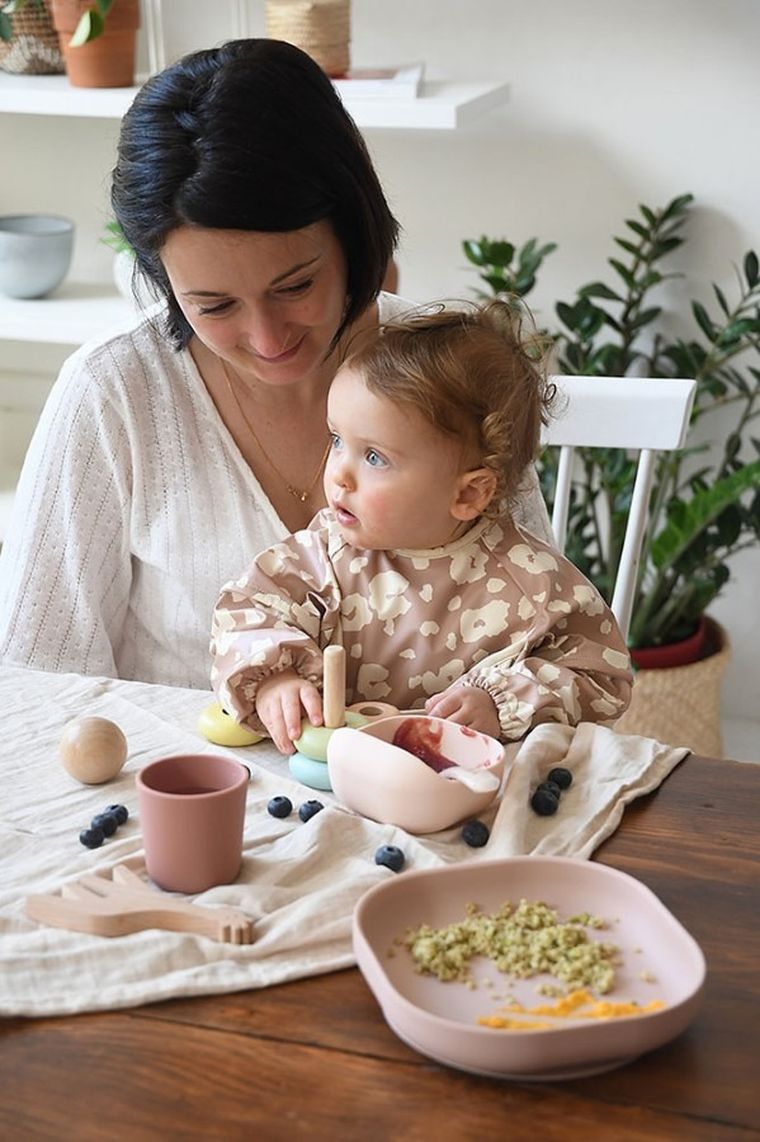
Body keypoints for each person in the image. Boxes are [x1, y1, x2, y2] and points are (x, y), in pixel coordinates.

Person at [0, 39, 552, 690]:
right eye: (214, 305)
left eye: (295, 287)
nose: (266, 340)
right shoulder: (112, 393)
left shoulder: (454, 374)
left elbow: (539, 638)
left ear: (352, 232)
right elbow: (39, 680)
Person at [210, 300, 632, 753]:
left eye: (375, 457)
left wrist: (500, 703)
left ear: (468, 494)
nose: (339, 474)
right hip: (330, 773)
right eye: (337, 440)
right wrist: (276, 678)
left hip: (460, 783)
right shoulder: (326, 554)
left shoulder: (532, 584)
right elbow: (248, 611)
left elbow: (601, 677)